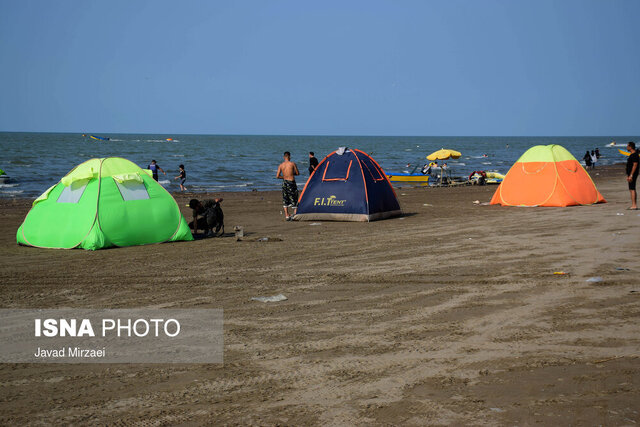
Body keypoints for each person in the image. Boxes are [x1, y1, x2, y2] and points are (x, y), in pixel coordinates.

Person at [277, 151, 300, 221]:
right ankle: (295, 214)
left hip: (285, 182)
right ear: (289, 157)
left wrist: (284, 177)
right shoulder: (292, 164)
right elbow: (297, 173)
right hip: (291, 182)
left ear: (284, 157)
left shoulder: (281, 165)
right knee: (294, 197)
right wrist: (291, 174)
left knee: (285, 198)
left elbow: (277, 176)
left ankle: (287, 215)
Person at [626, 142, 638, 210]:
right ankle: (634, 204)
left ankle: (634, 205)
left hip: (632, 174)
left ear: (630, 147)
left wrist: (631, 175)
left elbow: (635, 165)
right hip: (631, 174)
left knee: (632, 189)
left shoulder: (634, 155)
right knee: (631, 189)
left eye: (627, 146)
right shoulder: (632, 154)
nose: (627, 147)